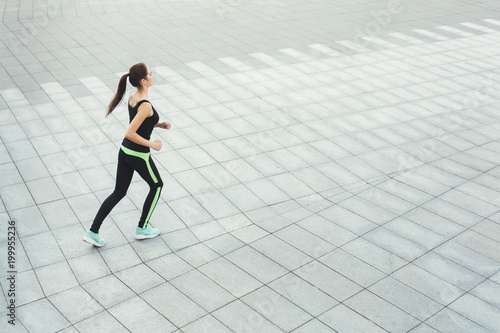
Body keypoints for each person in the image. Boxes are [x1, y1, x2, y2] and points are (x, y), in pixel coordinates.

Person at [83, 63, 171, 247]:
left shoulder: (133, 96)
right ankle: (142, 228)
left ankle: (93, 231)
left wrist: (158, 124)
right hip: (138, 154)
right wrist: (152, 144)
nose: (152, 75)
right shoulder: (145, 105)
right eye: (150, 74)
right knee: (157, 185)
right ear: (143, 80)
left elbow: (139, 124)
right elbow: (130, 132)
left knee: (119, 192)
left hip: (125, 152)